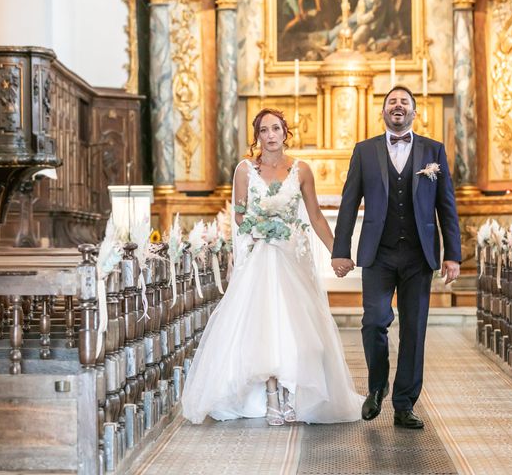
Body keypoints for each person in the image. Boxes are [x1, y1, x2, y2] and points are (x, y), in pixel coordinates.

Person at [181, 108, 363, 426]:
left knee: (297, 327)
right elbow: (238, 214)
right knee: (265, 325)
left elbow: (317, 216)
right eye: (263, 130)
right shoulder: (244, 170)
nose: (270, 135)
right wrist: (257, 224)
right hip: (261, 256)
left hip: (293, 255)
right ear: (257, 136)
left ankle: (293, 393)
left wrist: (339, 252)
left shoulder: (301, 170)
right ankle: (271, 395)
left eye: (275, 128)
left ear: (285, 132)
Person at [331, 86, 461, 429]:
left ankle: (404, 404)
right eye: (392, 102)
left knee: (414, 330)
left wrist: (453, 255)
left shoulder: (433, 150)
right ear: (384, 112)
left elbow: (446, 206)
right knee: (374, 320)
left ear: (415, 112)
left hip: (419, 256)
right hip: (378, 253)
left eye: (404, 102)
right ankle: (377, 388)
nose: (398, 106)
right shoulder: (365, 151)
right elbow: (348, 203)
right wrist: (340, 251)